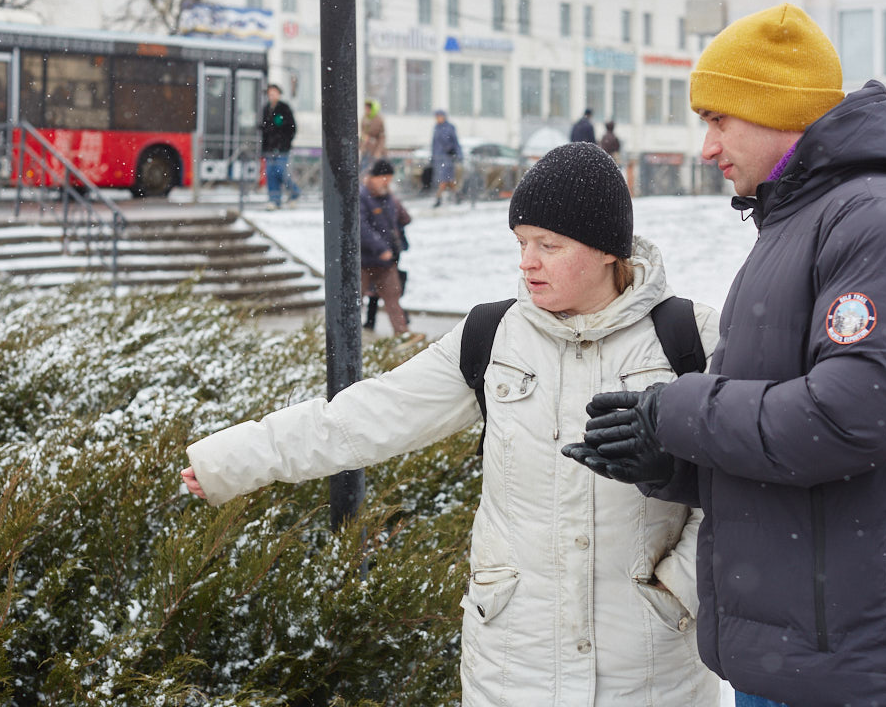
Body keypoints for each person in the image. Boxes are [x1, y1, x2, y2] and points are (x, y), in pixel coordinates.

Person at [180, 142, 722, 707]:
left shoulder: (691, 340)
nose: (526, 261)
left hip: (653, 672)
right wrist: (230, 461)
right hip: (512, 670)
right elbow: (363, 417)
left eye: (549, 245)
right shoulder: (491, 338)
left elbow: (744, 485)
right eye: (521, 243)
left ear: (608, 250)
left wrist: (679, 586)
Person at [562, 3, 886, 707]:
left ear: (776, 107)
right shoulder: (797, 222)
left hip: (857, 665)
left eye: (718, 119)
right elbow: (787, 440)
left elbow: (854, 416)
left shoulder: (879, 216)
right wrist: (671, 464)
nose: (707, 148)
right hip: (802, 651)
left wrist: (678, 408)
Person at [356, 158, 413, 337]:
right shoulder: (362, 197)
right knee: (354, 300)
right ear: (373, 177)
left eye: (389, 178)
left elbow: (402, 219)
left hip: (387, 261)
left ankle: (402, 334)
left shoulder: (388, 197)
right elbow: (362, 228)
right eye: (384, 177)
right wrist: (380, 248)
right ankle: (346, 336)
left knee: (393, 298)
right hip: (365, 260)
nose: (386, 181)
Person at [260, 84, 300, 209]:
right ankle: (274, 199)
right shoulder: (266, 109)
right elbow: (265, 130)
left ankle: (294, 193)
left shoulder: (284, 108)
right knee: (271, 174)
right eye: (269, 94)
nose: (271, 96)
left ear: (278, 94)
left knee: (281, 172)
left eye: (273, 93)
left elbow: (291, 127)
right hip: (269, 148)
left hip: (282, 148)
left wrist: (285, 142)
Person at [430, 109, 462, 207]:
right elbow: (434, 144)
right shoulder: (436, 128)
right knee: (448, 180)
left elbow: (455, 142)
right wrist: (432, 156)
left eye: (439, 116)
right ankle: (457, 195)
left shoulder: (450, 128)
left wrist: (458, 155)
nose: (438, 118)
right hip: (438, 158)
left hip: (447, 158)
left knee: (443, 179)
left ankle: (438, 198)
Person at [359, 98, 386, 174]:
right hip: (365, 149)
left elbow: (382, 137)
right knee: (363, 170)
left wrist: (378, 151)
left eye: (368, 108)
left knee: (373, 171)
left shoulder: (378, 119)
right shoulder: (364, 118)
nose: (366, 110)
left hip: (373, 150)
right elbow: (363, 133)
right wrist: (361, 146)